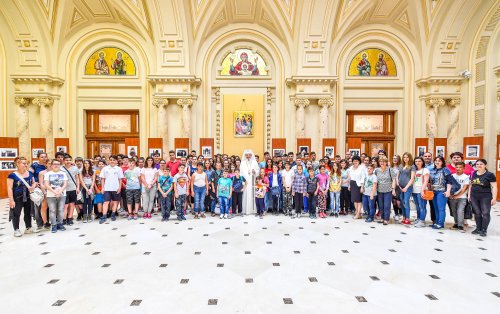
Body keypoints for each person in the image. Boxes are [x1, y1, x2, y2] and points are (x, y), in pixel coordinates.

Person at [7, 157, 38, 236]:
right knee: (16, 213)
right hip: (17, 197)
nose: (26, 165)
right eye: (24, 163)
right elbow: (9, 188)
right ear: (17, 164)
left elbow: (34, 182)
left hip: (28, 196)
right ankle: (16, 230)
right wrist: (11, 200)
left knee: (28, 212)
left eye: (27, 163)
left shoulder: (30, 173)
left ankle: (28, 227)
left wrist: (33, 186)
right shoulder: (12, 175)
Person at [469, 159, 497, 237]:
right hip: (474, 196)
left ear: (485, 165)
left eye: (481, 164)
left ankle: (484, 230)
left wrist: (494, 198)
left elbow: (494, 187)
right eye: (477, 164)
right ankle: (478, 228)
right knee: (477, 213)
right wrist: (469, 196)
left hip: (485, 196)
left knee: (485, 213)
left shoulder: (490, 175)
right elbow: (470, 185)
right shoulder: (473, 173)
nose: (479, 166)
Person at [44, 159, 68, 233]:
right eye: (54, 164)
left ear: (60, 165)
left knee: (61, 209)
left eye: (58, 164)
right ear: (51, 165)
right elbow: (46, 185)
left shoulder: (63, 173)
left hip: (62, 194)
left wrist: (60, 192)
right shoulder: (48, 174)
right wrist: (55, 192)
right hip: (51, 195)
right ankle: (54, 225)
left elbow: (65, 184)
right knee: (52, 210)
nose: (56, 165)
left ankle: (60, 223)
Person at [429, 156, 452, 230]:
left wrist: (448, 191)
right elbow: (430, 181)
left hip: (442, 191)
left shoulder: (445, 170)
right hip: (434, 191)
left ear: (442, 162)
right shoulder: (432, 170)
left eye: (439, 161)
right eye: (436, 160)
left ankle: (441, 224)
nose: (437, 162)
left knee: (441, 208)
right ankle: (437, 222)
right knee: (435, 208)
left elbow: (449, 181)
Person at [99, 155, 124, 224]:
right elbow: (102, 179)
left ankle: (113, 214)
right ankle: (104, 216)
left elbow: (120, 179)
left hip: (116, 188)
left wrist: (119, 187)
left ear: (116, 161)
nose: (112, 161)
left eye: (113, 160)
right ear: (109, 161)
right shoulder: (105, 168)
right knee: (106, 202)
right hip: (107, 188)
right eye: (111, 160)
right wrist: (103, 188)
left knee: (115, 202)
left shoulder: (118, 169)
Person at [374, 157, 397, 225]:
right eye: (381, 161)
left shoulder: (390, 170)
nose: (382, 163)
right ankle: (382, 218)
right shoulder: (377, 170)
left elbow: (394, 180)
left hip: (388, 190)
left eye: (384, 161)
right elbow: (374, 180)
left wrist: (393, 189)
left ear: (386, 162)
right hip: (379, 190)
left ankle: (386, 219)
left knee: (387, 205)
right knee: (380, 205)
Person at [29, 152, 48, 230]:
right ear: (38, 158)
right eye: (42, 157)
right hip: (38, 188)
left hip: (47, 188)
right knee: (37, 206)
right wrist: (35, 183)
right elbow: (30, 175)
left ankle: (46, 222)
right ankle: (39, 224)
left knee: (46, 206)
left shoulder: (49, 165)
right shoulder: (34, 165)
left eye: (45, 157)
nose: (44, 159)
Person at [449, 162, 470, 231]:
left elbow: (465, 188)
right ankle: (456, 223)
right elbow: (449, 186)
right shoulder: (452, 176)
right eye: (457, 167)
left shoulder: (466, 177)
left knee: (460, 211)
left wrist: (457, 196)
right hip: (452, 197)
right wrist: (450, 195)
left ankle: (460, 225)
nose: (458, 169)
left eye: (460, 167)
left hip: (462, 197)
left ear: (463, 168)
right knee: (454, 211)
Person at [61, 154, 81, 225]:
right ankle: (64, 219)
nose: (68, 161)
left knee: (72, 204)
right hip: (64, 189)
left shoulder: (75, 168)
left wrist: (78, 187)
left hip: (73, 188)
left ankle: (70, 218)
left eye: (69, 160)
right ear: (63, 161)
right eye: (66, 160)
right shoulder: (61, 168)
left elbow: (77, 178)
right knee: (65, 205)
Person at [240, 149, 260, 215]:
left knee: (252, 194)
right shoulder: (242, 163)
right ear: (245, 155)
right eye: (247, 155)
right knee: (245, 194)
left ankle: (253, 210)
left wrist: (255, 172)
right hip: (245, 182)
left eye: (249, 155)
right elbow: (241, 173)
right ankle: (245, 210)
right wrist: (243, 181)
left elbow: (258, 170)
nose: (248, 156)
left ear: (251, 155)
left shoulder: (254, 162)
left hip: (252, 180)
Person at [398, 153, 415, 225]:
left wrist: (406, 188)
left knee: (406, 202)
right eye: (404, 157)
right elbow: (397, 176)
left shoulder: (412, 166)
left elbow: (412, 179)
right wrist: (398, 184)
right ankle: (404, 217)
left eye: (407, 157)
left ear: (409, 158)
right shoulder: (401, 165)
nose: (405, 158)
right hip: (400, 187)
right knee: (402, 202)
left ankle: (407, 218)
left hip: (408, 187)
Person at [412, 157, 430, 227]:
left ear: (422, 162)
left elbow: (426, 181)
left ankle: (422, 221)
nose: (417, 163)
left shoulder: (425, 170)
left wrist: (422, 190)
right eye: (416, 161)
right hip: (414, 191)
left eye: (419, 161)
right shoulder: (415, 170)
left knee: (422, 206)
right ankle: (418, 218)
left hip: (421, 191)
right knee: (417, 206)